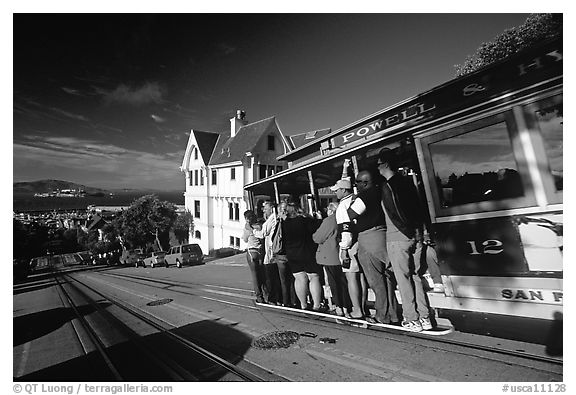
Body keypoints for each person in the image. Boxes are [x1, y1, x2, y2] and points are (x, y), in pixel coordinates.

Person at [376, 148, 433, 332]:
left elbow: (394, 212)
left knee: (403, 279)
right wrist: (419, 231)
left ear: (385, 164)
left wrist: (406, 229)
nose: (377, 168)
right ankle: (424, 317)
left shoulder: (387, 186)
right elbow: (418, 207)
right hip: (415, 235)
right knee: (416, 276)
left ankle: (411, 319)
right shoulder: (408, 182)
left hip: (398, 236)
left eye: (378, 164)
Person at [346, 169, 400, 325]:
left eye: (357, 182)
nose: (355, 185)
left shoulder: (365, 195)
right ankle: (393, 314)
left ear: (364, 182)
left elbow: (351, 214)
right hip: (384, 234)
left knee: (376, 280)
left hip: (369, 238)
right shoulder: (381, 191)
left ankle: (382, 316)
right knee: (388, 278)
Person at [331, 178, 366, 319]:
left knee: (351, 278)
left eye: (337, 190)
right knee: (361, 277)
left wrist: (344, 249)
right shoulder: (356, 200)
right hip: (361, 241)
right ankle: (362, 307)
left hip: (349, 245)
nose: (336, 193)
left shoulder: (342, 206)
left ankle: (357, 310)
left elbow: (345, 229)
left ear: (344, 190)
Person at [281, 196, 324, 311]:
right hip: (307, 252)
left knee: (299, 278)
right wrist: (319, 218)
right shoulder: (306, 221)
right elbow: (318, 228)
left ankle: (303, 304)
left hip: (292, 253)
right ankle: (316, 305)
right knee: (313, 277)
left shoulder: (285, 223)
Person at [312, 201, 352, 317]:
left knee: (334, 283)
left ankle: (339, 306)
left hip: (330, 255)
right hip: (341, 254)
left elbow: (317, 237)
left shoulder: (330, 220)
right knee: (344, 282)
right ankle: (346, 307)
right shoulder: (344, 218)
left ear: (331, 210)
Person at [252, 201, 282, 305]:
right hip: (272, 248)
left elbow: (262, 234)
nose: (263, 210)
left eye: (265, 208)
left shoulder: (272, 219)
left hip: (271, 249)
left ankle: (273, 297)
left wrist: (253, 231)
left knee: (270, 274)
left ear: (271, 208)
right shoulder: (272, 218)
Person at [241, 210, 267, 303]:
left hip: (251, 252)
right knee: (262, 273)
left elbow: (244, 239)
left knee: (255, 275)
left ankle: (259, 296)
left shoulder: (247, 228)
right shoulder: (260, 226)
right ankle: (266, 294)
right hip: (260, 251)